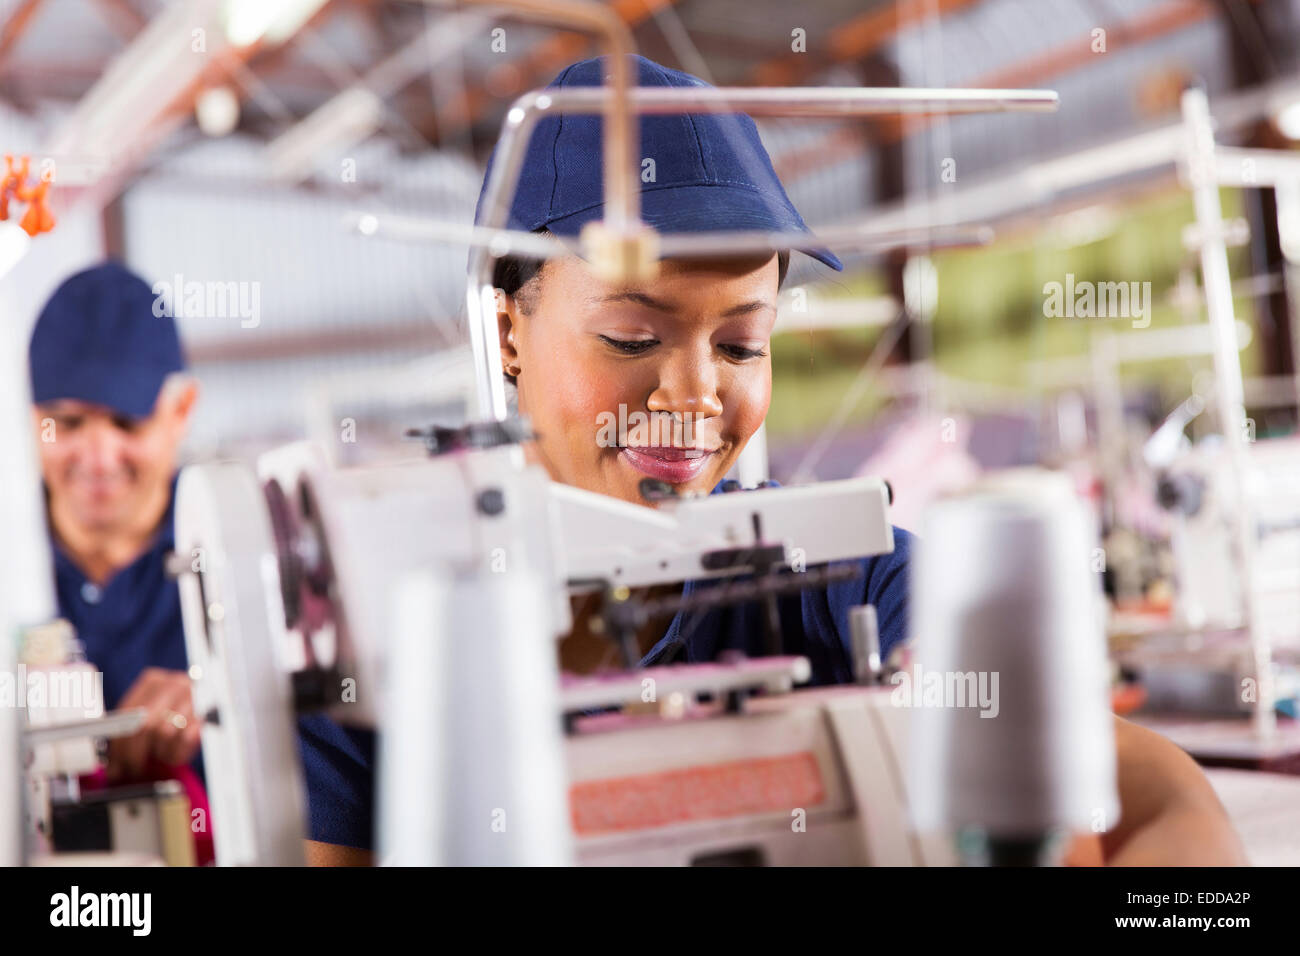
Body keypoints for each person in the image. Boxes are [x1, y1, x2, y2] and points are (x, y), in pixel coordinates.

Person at [299, 55, 1246, 867]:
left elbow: (1169, 804)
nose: (697, 395)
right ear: (509, 333)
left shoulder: (852, 578)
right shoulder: (378, 643)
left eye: (742, 346)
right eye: (632, 338)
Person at [29, 261, 206, 790]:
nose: (99, 457)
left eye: (128, 423)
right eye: (69, 422)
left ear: (181, 411)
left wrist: (227, 698)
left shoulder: (246, 554)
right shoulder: (14, 564)